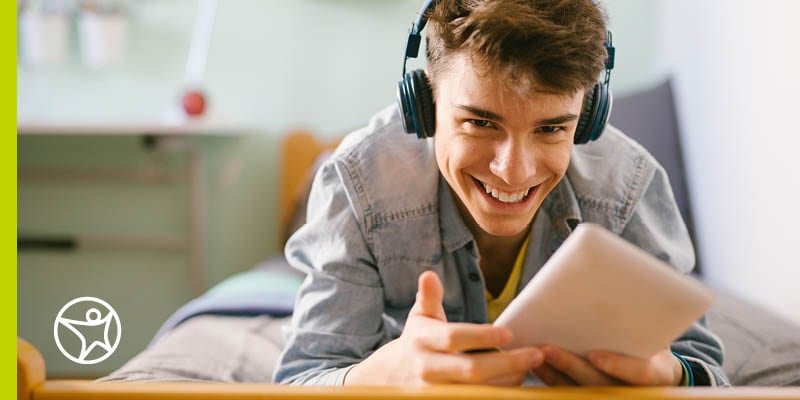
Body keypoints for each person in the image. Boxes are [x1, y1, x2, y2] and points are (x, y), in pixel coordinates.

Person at [274, 0, 729, 387]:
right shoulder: (359, 182)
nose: (513, 172)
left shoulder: (629, 187)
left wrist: (673, 374)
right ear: (425, 103)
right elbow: (304, 376)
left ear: (587, 119)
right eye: (481, 122)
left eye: (551, 128)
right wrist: (379, 376)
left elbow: (704, 367)